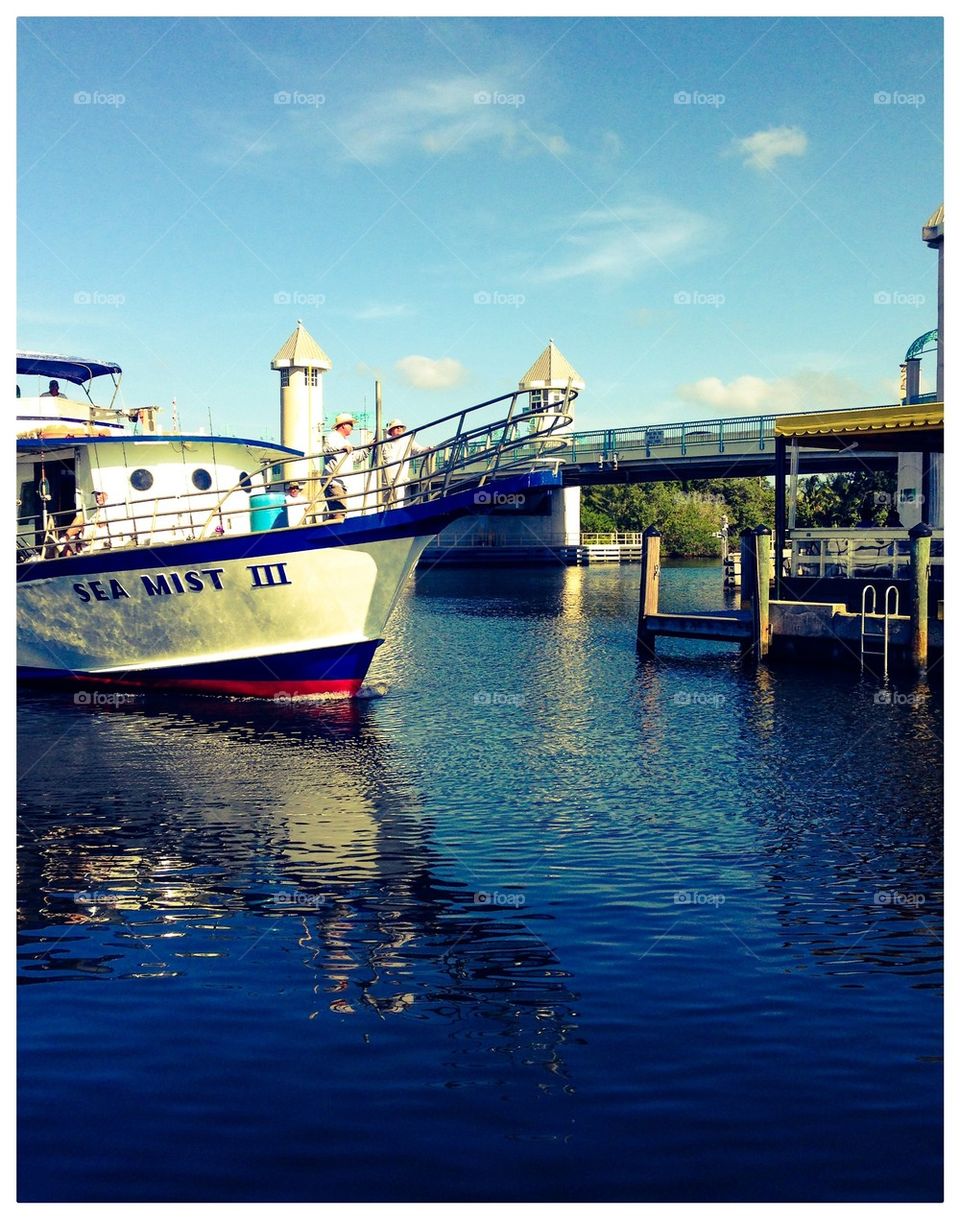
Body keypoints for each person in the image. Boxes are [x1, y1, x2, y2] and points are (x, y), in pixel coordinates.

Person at [380, 419, 426, 506]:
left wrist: (428, 449)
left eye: (401, 427)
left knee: (398, 501)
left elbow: (418, 450)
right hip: (385, 480)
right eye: (396, 427)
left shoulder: (408, 440)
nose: (399, 428)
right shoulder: (384, 444)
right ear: (391, 430)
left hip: (400, 478)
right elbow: (377, 462)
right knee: (385, 503)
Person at [61, 489, 110, 555]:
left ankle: (64, 539)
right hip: (89, 531)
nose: (97, 497)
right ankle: (68, 563)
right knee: (67, 546)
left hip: (98, 533)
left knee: (81, 517)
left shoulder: (108, 509)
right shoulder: (97, 510)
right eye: (96, 495)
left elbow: (101, 524)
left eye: (99, 494)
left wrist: (83, 527)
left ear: (106, 495)